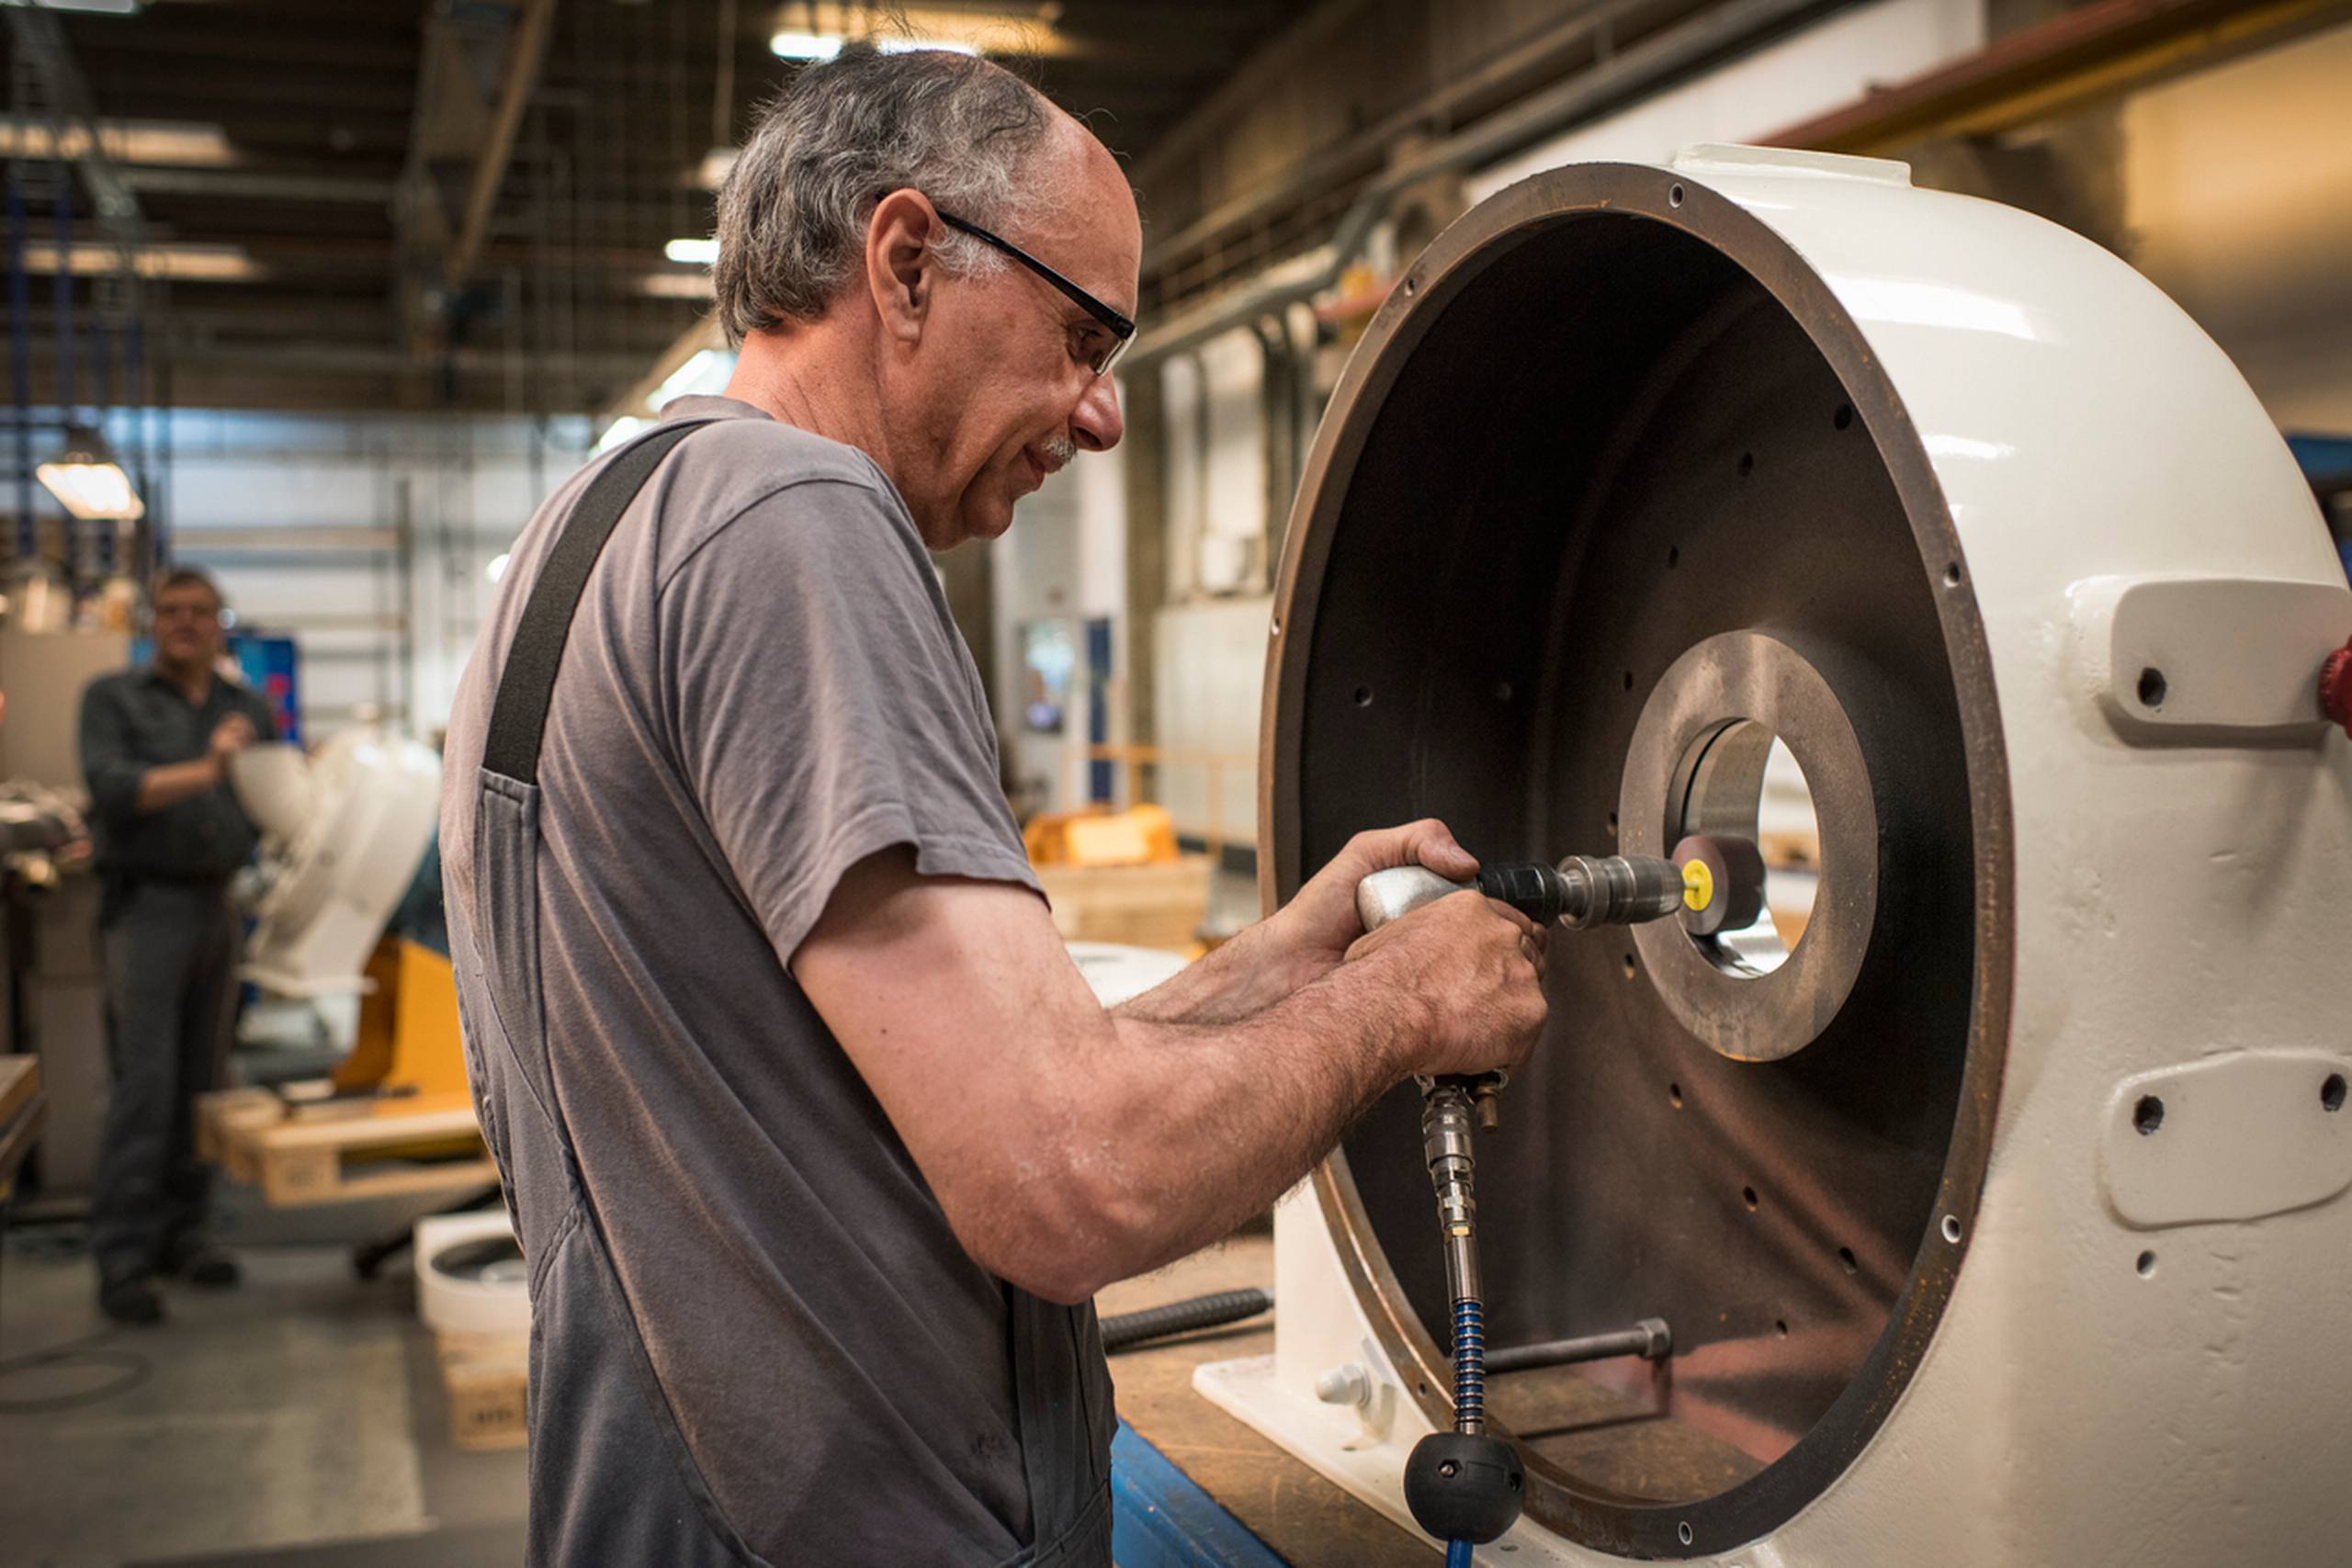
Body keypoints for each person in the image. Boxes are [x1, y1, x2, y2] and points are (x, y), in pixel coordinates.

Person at [439, 45, 1549, 1568]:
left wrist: (1276, 974)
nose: (1099, 417)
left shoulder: (600, 529)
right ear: (904, 264)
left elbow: (883, 1092)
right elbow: (1068, 1181)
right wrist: (1403, 1008)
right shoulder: (799, 524)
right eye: (1084, 338)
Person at [78, 566, 275, 1325]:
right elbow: (111, 789)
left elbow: (266, 794)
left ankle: (186, 1233)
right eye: (170, 611)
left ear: (220, 622)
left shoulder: (244, 706)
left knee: (204, 1081)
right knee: (144, 1084)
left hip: (217, 904)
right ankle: (123, 1252)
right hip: (148, 907)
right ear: (151, 623)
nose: (185, 622)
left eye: (199, 611)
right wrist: (208, 769)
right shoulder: (115, 699)